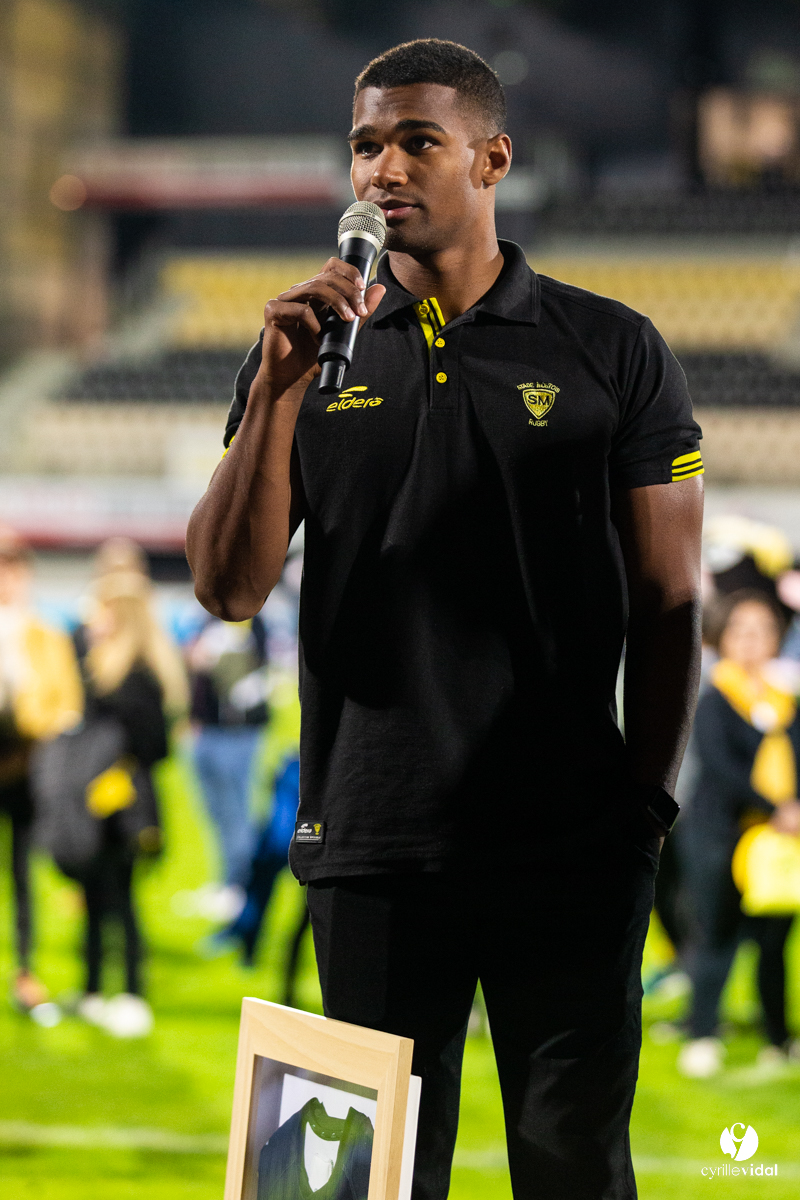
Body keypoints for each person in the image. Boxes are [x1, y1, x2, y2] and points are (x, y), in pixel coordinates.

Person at [186, 40, 704, 1200]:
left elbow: (670, 601)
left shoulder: (608, 348)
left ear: (492, 158)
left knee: (571, 1172)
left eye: (417, 140)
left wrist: (643, 807)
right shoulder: (302, 356)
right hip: (366, 848)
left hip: (567, 847)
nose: (383, 168)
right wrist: (274, 387)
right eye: (365, 143)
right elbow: (227, 589)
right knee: (343, 1185)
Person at [677, 590, 800, 1079]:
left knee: (776, 941)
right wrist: (777, 806)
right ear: (721, 639)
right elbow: (722, 767)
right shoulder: (713, 697)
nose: (752, 641)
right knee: (717, 935)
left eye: (763, 630)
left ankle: (779, 1036)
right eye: (741, 631)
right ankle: (702, 1032)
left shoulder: (786, 702)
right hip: (719, 833)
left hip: (776, 839)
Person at [74, 569, 188, 1037]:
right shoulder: (106, 666)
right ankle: (95, 989)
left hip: (125, 802)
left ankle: (132, 992)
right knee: (95, 894)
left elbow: (156, 747)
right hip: (103, 798)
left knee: (121, 896)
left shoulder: (135, 676)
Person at [0, 527, 83, 1012]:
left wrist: (30, 718)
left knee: (24, 874)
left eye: (12, 568)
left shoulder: (46, 635)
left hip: (26, 770)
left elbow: (65, 705)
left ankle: (26, 969)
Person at [187, 613, 270, 917]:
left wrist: (210, 655)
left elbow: (248, 676)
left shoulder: (247, 616)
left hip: (236, 734)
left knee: (237, 812)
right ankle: (226, 883)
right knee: (218, 814)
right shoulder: (209, 615)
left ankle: (239, 889)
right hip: (208, 730)